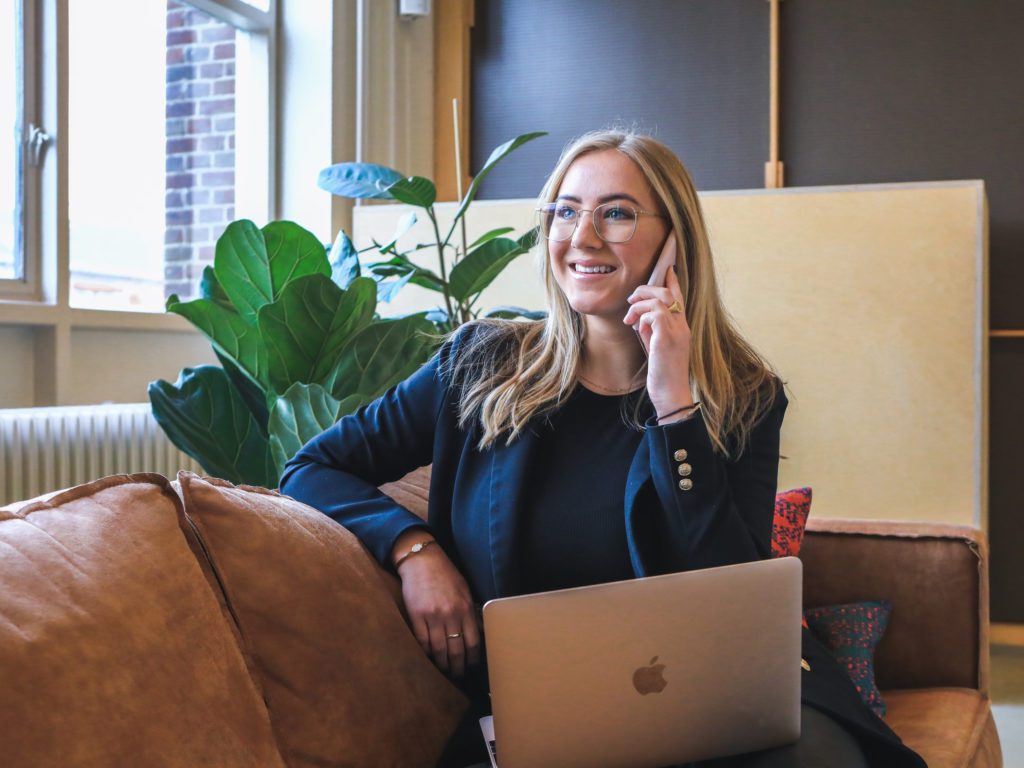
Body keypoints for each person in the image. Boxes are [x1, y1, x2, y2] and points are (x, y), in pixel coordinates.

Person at [279, 131, 925, 768]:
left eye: (615, 213)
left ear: (675, 241)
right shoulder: (479, 366)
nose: (582, 236)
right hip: (545, 719)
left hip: (720, 708)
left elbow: (735, 595)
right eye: (565, 211)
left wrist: (675, 406)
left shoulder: (744, 396)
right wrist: (413, 550)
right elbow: (310, 466)